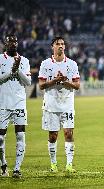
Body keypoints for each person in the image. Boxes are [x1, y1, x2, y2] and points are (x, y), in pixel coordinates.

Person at [38, 36, 80, 173]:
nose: (60, 46)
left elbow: (77, 85)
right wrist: (55, 80)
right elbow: (41, 85)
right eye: (57, 44)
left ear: (65, 47)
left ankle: (69, 165)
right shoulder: (45, 64)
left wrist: (64, 82)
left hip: (67, 104)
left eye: (62, 44)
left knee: (68, 133)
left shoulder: (72, 64)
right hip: (51, 104)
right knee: (53, 136)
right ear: (53, 47)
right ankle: (53, 164)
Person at [0, 34, 31, 178]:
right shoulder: (0, 59)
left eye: (15, 41)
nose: (13, 43)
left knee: (20, 136)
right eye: (10, 41)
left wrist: (18, 70)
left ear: (18, 43)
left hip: (19, 103)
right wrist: (11, 71)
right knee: (0, 138)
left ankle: (17, 169)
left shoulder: (24, 61)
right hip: (3, 103)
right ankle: (3, 165)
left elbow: (28, 82)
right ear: (5, 44)